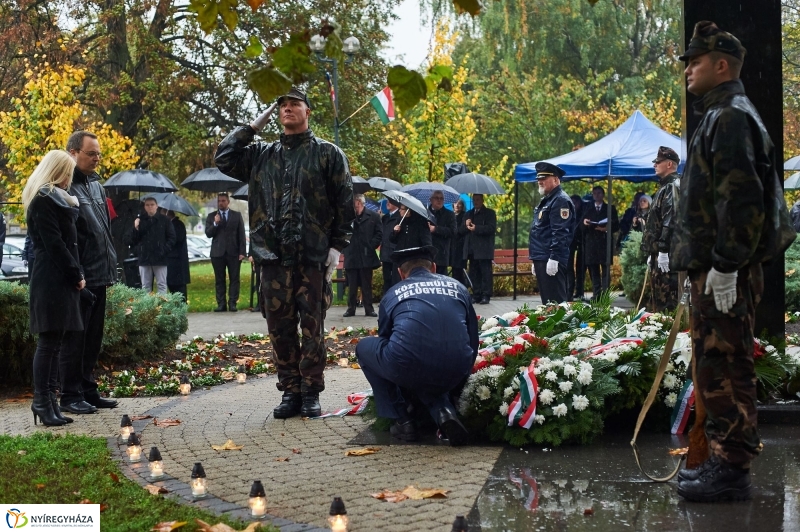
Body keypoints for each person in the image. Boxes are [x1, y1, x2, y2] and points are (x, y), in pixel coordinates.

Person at [672, 21, 795, 503]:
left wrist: (725, 264)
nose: (688, 69)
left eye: (695, 61)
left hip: (727, 269)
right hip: (720, 267)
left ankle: (731, 467)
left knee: (725, 366)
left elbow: (740, 201)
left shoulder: (731, 118)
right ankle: (726, 462)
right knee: (717, 365)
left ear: (721, 66)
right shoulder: (722, 114)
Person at [215, 86, 354, 419]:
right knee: (279, 328)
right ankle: (290, 391)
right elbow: (224, 158)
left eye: (295, 104)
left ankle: (310, 392)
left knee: (312, 327)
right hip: (272, 257)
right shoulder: (261, 153)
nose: (288, 109)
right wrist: (254, 125)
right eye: (282, 105)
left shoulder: (327, 153)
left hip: (312, 256)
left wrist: (336, 246)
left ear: (308, 111)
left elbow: (344, 202)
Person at [355, 245, 478, 445]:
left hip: (409, 365)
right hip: (456, 367)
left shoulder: (393, 293)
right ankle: (444, 411)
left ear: (401, 274)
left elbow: (385, 338)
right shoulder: (459, 287)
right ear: (434, 268)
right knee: (426, 358)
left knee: (368, 348)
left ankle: (402, 420)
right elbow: (473, 339)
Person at [23, 150, 85, 426]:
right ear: (59, 171)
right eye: (69, 172)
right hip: (51, 279)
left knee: (56, 342)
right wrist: (76, 274)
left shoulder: (59, 199)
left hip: (59, 279)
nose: (71, 178)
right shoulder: (44, 201)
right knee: (48, 343)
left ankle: (50, 401)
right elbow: (55, 245)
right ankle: (41, 401)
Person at [60, 131, 119, 415]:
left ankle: (88, 389)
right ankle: (70, 395)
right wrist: (76, 273)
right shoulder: (64, 187)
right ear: (73, 153)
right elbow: (68, 237)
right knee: (76, 338)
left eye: (98, 154)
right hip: (81, 278)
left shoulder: (97, 187)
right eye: (91, 153)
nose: (97, 158)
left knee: (93, 338)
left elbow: (103, 230)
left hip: (101, 273)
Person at [528, 162, 575, 304]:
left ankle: (562, 327)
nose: (540, 182)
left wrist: (554, 257)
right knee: (548, 303)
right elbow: (540, 230)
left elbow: (560, 232)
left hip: (551, 258)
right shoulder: (549, 199)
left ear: (556, 180)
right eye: (538, 179)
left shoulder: (560, 200)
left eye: (544, 178)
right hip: (543, 257)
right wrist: (536, 257)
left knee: (556, 305)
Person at [642, 146, 681, 312]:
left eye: (658, 162)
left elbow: (670, 220)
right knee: (657, 301)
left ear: (669, 164)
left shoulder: (672, 186)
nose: (655, 165)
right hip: (659, 254)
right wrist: (654, 251)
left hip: (667, 255)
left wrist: (663, 250)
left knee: (667, 302)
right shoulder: (664, 187)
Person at [205, 192, 246, 312]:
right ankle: (221, 304)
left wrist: (242, 252)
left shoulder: (236, 215)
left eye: (223, 201)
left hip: (233, 252)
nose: (221, 203)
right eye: (219, 201)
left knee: (234, 278)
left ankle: (232, 303)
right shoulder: (212, 216)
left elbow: (241, 235)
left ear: (228, 202)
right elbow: (208, 233)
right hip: (217, 253)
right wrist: (215, 223)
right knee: (219, 279)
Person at [342, 194, 382, 318]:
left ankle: (369, 309)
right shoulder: (348, 217)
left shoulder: (373, 216)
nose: (355, 208)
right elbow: (342, 232)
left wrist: (371, 245)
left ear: (361, 203)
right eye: (354, 206)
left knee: (366, 284)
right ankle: (351, 308)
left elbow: (379, 234)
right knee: (352, 285)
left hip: (366, 255)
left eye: (357, 205)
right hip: (352, 254)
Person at [129, 197, 176, 294]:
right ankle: (147, 307)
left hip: (160, 257)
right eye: (147, 205)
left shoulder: (165, 220)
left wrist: (163, 250)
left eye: (152, 205)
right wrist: (135, 228)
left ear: (156, 206)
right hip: (144, 257)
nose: (150, 207)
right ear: (144, 207)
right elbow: (132, 239)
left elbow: (172, 238)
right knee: (145, 286)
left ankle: (162, 307)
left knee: (161, 284)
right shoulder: (140, 220)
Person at [580, 186, 619, 299]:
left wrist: (607, 228)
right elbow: (581, 227)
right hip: (592, 244)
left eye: (599, 193)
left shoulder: (610, 208)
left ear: (603, 195)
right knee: (594, 271)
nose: (597, 195)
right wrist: (585, 223)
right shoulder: (588, 208)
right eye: (595, 193)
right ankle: (597, 294)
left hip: (604, 242)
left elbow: (616, 225)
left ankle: (605, 295)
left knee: (605, 270)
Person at [462, 193, 497, 304]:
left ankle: (486, 295)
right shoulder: (469, 214)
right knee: (474, 272)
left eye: (477, 200)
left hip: (484, 249)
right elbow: (461, 230)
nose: (475, 202)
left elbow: (491, 228)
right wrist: (465, 224)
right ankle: (476, 294)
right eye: (474, 200)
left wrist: (476, 228)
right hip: (472, 249)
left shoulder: (489, 213)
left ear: (482, 200)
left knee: (485, 273)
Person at [390, 204, 432, 286]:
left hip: (414, 258)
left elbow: (426, 241)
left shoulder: (420, 223)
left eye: (402, 209)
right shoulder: (400, 221)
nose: (399, 211)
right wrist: (395, 232)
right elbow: (392, 240)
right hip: (401, 257)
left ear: (408, 211)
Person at [428, 190, 457, 278]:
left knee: (441, 280)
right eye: (436, 198)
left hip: (442, 253)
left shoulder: (449, 214)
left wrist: (435, 229)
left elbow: (453, 231)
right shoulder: (424, 213)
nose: (439, 200)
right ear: (431, 200)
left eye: (441, 198)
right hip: (427, 253)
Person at [164, 209, 190, 302]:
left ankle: (181, 306)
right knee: (172, 285)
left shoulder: (178, 225)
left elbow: (175, 239)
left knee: (179, 288)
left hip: (177, 262)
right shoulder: (170, 224)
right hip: (171, 261)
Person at [567, 194, 586, 302]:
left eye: (576, 203)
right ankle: (569, 292)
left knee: (580, 268)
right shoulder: (567, 214)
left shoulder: (583, 213)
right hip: (570, 243)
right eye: (572, 203)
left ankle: (579, 291)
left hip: (582, 243)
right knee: (569, 268)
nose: (574, 205)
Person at [379, 200, 400, 294]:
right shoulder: (385, 218)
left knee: (395, 278)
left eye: (390, 201)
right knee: (386, 278)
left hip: (394, 252)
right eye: (387, 201)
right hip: (385, 252)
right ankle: (386, 298)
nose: (388, 203)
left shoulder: (400, 217)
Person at [451, 198, 468, 286]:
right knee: (454, 269)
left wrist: (454, 231)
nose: (457, 205)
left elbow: (462, 230)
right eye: (455, 203)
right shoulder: (451, 215)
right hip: (451, 246)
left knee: (458, 269)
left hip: (460, 246)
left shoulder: (464, 216)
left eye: (459, 203)